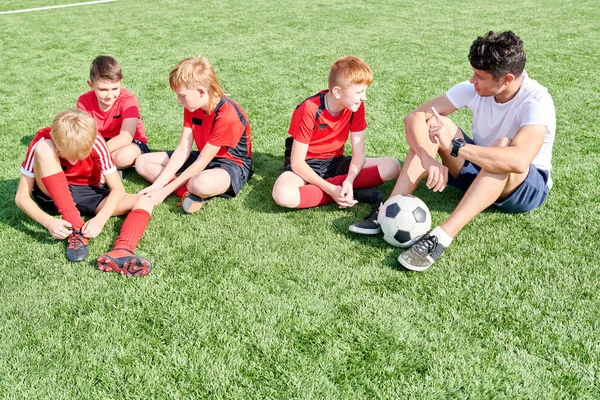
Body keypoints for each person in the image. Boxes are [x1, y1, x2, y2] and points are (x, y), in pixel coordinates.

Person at [380, 31, 556, 271]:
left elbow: (518, 160)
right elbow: (414, 117)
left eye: (479, 76)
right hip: (480, 168)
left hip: (524, 188)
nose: (472, 81)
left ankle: (441, 238)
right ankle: (388, 209)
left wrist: (456, 147)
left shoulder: (536, 100)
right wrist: (427, 159)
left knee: (502, 147)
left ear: (506, 79)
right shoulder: (473, 89)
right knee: (434, 124)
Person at [15, 109, 153, 277]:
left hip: (85, 192)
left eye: (79, 156)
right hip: (49, 192)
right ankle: (76, 227)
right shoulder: (43, 139)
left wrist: (100, 220)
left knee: (145, 201)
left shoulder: (96, 141)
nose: (73, 161)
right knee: (45, 148)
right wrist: (49, 222)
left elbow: (118, 189)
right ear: (55, 137)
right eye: (66, 155)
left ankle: (122, 250)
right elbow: (21, 197)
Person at [271, 56, 400, 232]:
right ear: (338, 92)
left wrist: (349, 179)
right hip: (306, 167)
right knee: (282, 194)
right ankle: (343, 192)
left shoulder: (355, 107)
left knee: (392, 166)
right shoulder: (310, 108)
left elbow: (359, 155)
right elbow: (297, 163)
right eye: (359, 92)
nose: (364, 97)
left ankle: (345, 189)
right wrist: (331, 189)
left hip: (335, 163)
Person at [135, 57, 253, 213]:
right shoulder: (192, 107)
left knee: (199, 183)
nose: (179, 100)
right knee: (142, 162)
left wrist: (163, 191)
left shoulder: (228, 115)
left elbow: (201, 163)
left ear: (201, 91)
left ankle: (188, 188)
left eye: (182, 96)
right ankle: (185, 192)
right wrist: (156, 186)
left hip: (231, 165)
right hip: (202, 156)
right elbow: (184, 148)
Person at [77, 55, 149, 175]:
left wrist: (95, 156)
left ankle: (99, 168)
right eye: (103, 90)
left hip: (130, 143)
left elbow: (126, 138)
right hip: (100, 143)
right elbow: (86, 134)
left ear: (121, 82)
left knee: (125, 156)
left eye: (115, 88)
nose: (110, 95)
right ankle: (110, 169)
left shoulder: (128, 99)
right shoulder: (83, 101)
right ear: (91, 85)